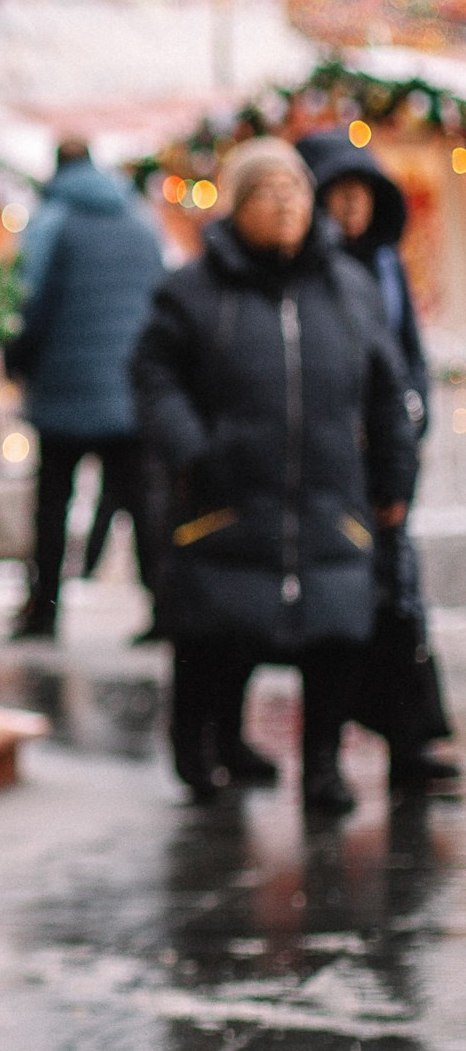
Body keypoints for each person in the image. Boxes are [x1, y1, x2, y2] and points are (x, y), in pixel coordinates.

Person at [130, 135, 417, 816]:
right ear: (236, 205)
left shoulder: (348, 288)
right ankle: (200, 746)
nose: (285, 204)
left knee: (336, 634)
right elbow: (154, 376)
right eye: (265, 191)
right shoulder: (192, 290)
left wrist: (394, 478)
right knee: (215, 628)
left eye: (294, 190)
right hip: (227, 496)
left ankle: (323, 767)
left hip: (330, 499)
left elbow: (387, 391)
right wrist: (192, 450)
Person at [297, 130, 462, 796]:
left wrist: (408, 428)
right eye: (337, 194)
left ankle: (410, 740)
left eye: (361, 194)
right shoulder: (305, 271)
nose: (350, 207)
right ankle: (323, 757)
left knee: (398, 602)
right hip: (328, 466)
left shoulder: (385, 266)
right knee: (335, 612)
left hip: (383, 462)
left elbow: (407, 359)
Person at [2, 136, 167, 639]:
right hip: (130, 392)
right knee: (142, 505)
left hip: (64, 391)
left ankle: (44, 612)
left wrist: (17, 361)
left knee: (53, 505)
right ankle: (164, 611)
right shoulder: (142, 221)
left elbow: (28, 301)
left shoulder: (52, 221)